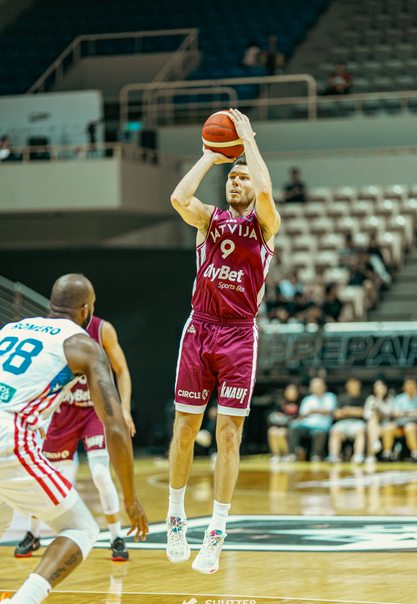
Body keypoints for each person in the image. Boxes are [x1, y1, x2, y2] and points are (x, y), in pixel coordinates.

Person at [0, 274, 148, 604]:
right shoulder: (83, 345)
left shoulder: (10, 330)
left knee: (2, 518)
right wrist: (130, 499)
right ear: (86, 310)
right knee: (81, 528)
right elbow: (115, 426)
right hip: (10, 436)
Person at [167, 108, 280, 574]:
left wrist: (248, 142)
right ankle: (176, 517)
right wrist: (210, 156)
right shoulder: (208, 221)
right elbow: (179, 197)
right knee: (185, 428)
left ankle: (216, 531)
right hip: (200, 328)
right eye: (232, 177)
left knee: (229, 434)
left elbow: (266, 192)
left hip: (238, 335)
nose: (236, 181)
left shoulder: (265, 225)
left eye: (242, 177)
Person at [14, 314, 136, 562]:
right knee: (53, 478)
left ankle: (116, 537)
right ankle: (33, 533)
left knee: (100, 474)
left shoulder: (102, 329)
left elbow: (122, 370)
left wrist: (124, 410)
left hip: (94, 410)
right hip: (63, 411)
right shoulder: (52, 331)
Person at [288, 378, 336, 461]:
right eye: (315, 387)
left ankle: (316, 455)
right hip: (306, 424)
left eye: (319, 386)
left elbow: (330, 411)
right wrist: (318, 411)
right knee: (294, 426)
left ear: (324, 387)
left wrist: (314, 411)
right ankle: (292, 454)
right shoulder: (307, 399)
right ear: (311, 388)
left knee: (319, 433)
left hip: (322, 424)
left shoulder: (330, 397)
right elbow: (303, 414)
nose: (318, 388)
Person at [382, 378, 417, 462]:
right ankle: (387, 454)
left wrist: (405, 413)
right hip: (400, 425)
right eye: (408, 386)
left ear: (416, 386)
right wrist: (412, 413)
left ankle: (416, 454)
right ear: (404, 387)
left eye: (412, 385)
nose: (410, 387)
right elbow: (395, 413)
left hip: (416, 426)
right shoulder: (399, 398)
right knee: (388, 428)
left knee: (409, 427)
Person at [327, 377, 367, 464]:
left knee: (360, 431)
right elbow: (336, 413)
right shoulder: (341, 398)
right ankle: (334, 455)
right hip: (343, 423)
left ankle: (358, 455)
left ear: (359, 385)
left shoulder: (364, 397)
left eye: (355, 384)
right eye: (351, 385)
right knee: (335, 431)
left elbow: (364, 412)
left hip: (358, 423)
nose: (353, 386)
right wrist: (349, 411)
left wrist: (349, 410)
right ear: (347, 386)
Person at [267, 383, 300, 465]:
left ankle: (286, 454)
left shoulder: (300, 402)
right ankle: (276, 455)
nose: (291, 393)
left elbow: (300, 417)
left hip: (291, 427)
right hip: (280, 425)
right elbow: (275, 416)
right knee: (272, 431)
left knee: (281, 433)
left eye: (293, 391)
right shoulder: (281, 403)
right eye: (289, 390)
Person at [363, 379, 394, 463]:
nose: (380, 389)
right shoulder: (370, 399)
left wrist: (379, 401)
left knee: (372, 427)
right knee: (371, 422)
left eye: (382, 387)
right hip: (373, 425)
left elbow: (389, 413)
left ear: (386, 388)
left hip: (386, 425)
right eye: (377, 387)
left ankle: (371, 453)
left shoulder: (390, 399)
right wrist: (375, 413)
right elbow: (366, 414)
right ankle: (374, 444)